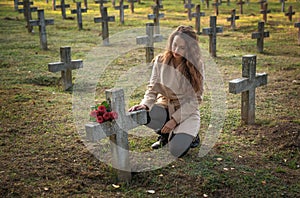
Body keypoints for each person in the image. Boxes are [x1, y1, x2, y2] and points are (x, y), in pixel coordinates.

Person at [129, 25, 204, 158]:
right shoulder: (160, 60)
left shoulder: (196, 65)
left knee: (176, 151)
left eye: (182, 48)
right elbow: (152, 89)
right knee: (147, 113)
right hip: (165, 104)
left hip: (186, 110)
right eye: (174, 45)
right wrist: (145, 105)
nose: (176, 50)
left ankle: (190, 135)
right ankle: (164, 135)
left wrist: (174, 121)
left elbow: (196, 99)